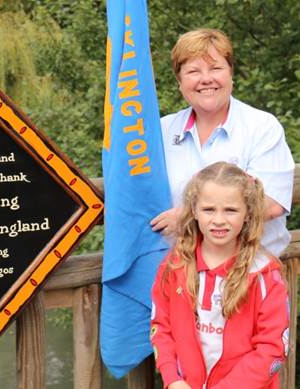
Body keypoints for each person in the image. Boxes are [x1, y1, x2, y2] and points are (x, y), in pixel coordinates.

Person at [150, 28, 294, 257]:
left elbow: (272, 203)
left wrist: (187, 216)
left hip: (249, 273)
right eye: (193, 71)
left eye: (216, 68)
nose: (206, 79)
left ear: (230, 74)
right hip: (179, 276)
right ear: (179, 81)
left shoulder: (261, 126)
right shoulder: (160, 131)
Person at [150, 162, 289, 389]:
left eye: (231, 210)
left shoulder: (265, 274)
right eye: (208, 209)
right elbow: (160, 327)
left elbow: (272, 348)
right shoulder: (174, 266)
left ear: (248, 213)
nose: (219, 220)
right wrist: (173, 379)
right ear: (193, 210)